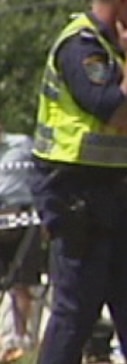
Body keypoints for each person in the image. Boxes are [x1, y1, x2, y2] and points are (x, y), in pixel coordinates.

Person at [27, 0, 127, 364]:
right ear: (124, 0)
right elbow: (114, 109)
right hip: (73, 193)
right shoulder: (82, 47)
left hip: (112, 191)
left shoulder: (110, 48)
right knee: (76, 311)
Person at [0, 122, 43, 362]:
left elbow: (40, 171)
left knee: (22, 281)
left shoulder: (22, 145)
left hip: (23, 216)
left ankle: (18, 338)